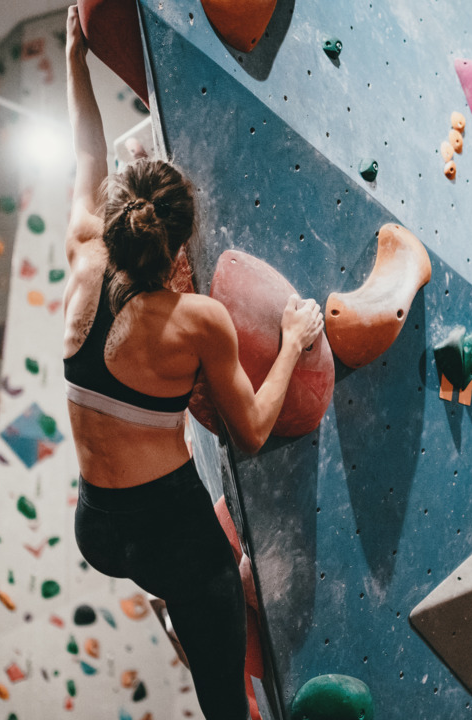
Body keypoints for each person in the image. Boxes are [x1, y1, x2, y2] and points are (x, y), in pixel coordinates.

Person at [62, 7, 324, 720]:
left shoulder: (83, 257)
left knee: (195, 612)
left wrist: (75, 63)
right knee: (226, 706)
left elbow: (85, 157)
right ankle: (190, 608)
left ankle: (179, 608)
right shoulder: (194, 321)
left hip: (98, 527)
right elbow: (251, 430)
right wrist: (296, 340)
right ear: (182, 248)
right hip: (171, 534)